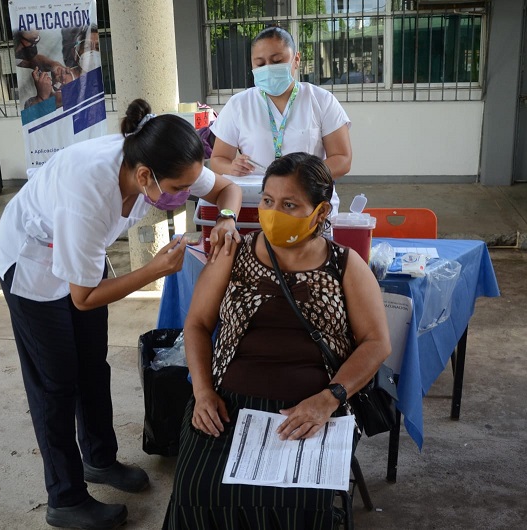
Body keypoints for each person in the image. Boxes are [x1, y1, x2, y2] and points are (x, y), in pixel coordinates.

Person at [0, 99, 243, 530]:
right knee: (55, 383)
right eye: (179, 188)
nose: (185, 195)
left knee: (92, 366)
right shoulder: (87, 192)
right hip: (31, 261)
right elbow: (85, 297)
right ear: (145, 176)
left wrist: (226, 219)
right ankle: (65, 498)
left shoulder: (161, 159)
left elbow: (226, 189)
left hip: (79, 259)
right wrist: (152, 270)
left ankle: (99, 459)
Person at [163, 152, 391, 529]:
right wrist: (202, 393)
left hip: (312, 412)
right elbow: (198, 324)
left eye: (289, 204)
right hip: (227, 407)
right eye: (268, 200)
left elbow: (376, 343)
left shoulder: (345, 265)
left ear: (320, 213)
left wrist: (328, 400)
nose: (273, 212)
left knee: (297, 505)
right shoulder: (233, 253)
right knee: (197, 491)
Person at [209, 26, 352, 214]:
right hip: (257, 203)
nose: (268, 69)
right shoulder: (239, 105)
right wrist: (232, 167)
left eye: (277, 61)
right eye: (260, 64)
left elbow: (342, 159)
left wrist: (301, 178)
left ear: (296, 60)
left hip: (310, 203)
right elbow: (217, 160)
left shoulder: (321, 100)